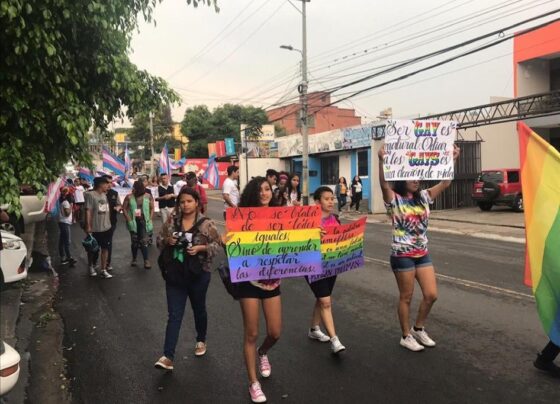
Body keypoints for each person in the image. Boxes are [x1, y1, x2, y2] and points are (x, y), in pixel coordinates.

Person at [378, 143, 460, 351]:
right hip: (402, 255)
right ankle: (406, 336)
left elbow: (445, 182)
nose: (416, 180)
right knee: (406, 297)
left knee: (431, 295)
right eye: (411, 177)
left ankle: (418, 328)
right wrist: (381, 160)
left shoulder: (424, 196)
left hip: (422, 253)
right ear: (402, 179)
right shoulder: (394, 199)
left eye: (417, 177)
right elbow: (384, 185)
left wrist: (452, 159)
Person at [155, 187, 221, 370]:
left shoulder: (207, 224)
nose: (185, 205)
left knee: (199, 309)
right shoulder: (172, 221)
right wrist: (167, 241)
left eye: (189, 201)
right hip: (175, 274)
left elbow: (217, 245)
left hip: (199, 274)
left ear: (197, 202)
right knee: (174, 315)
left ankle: (201, 340)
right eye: (182, 202)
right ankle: (168, 356)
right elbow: (159, 241)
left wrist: (201, 248)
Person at [236, 177, 282, 403]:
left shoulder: (281, 215)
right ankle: (253, 383)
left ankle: (262, 352)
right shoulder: (242, 217)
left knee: (275, 333)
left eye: (267, 189)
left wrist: (314, 236)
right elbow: (234, 244)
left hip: (272, 281)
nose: (264, 193)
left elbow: (295, 239)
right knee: (251, 333)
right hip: (248, 280)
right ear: (252, 194)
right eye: (260, 190)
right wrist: (228, 241)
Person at [306, 186, 346, 354]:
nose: (331, 202)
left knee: (322, 297)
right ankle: (334, 340)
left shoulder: (335, 219)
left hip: (331, 265)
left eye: (332, 198)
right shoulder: (308, 221)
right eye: (326, 199)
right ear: (317, 202)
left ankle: (314, 328)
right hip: (313, 266)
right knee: (325, 301)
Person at [84, 176, 113, 278]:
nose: (108, 186)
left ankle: (103, 270)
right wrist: (88, 226)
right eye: (106, 184)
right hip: (95, 228)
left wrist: (109, 223)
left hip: (106, 227)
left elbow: (106, 210)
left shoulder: (104, 195)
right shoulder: (90, 195)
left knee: (105, 248)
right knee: (92, 249)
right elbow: (88, 211)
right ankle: (91, 266)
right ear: (100, 184)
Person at [123, 180, 154, 269]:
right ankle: (134, 259)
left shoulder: (148, 196)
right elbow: (124, 208)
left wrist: (150, 219)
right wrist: (128, 219)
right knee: (134, 241)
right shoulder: (129, 197)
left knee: (144, 241)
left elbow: (152, 208)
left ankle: (146, 260)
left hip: (144, 221)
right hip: (133, 221)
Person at [103, 175, 122, 271]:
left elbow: (119, 205)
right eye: (107, 182)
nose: (109, 184)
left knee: (108, 242)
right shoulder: (96, 193)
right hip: (98, 223)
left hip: (111, 222)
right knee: (97, 243)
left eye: (111, 182)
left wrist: (118, 208)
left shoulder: (114, 193)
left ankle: (107, 263)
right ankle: (92, 263)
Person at [58, 187, 76, 266]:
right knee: (67, 241)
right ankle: (69, 258)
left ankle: (63, 258)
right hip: (64, 223)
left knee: (62, 241)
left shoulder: (63, 201)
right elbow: (67, 214)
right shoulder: (66, 203)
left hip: (63, 222)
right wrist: (71, 206)